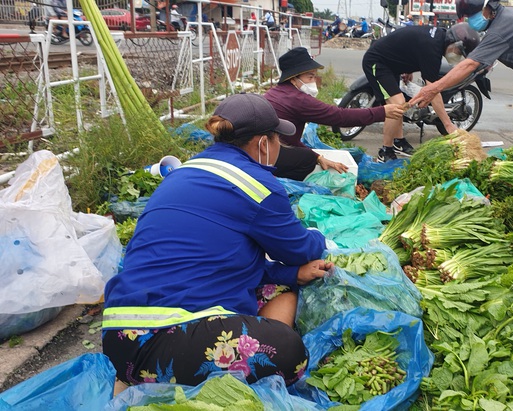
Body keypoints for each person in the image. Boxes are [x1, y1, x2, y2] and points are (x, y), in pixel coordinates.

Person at [102, 93, 331, 387]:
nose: (279, 147)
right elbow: (300, 248)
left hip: (119, 335)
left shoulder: (183, 172)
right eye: (277, 140)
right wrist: (320, 237)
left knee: (284, 288)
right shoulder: (257, 185)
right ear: (263, 143)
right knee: (290, 352)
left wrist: (291, 273)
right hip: (161, 339)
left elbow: (223, 257)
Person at [411, 0, 513, 153]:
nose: (471, 20)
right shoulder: (506, 17)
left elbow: (470, 64)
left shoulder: (501, 27)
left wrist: (434, 88)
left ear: (488, 8)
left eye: (472, 15)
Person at [264, 47, 404, 180]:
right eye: (310, 77)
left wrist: (319, 157)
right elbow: (339, 116)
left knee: (309, 156)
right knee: (307, 161)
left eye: (314, 77)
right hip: (269, 154)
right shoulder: (298, 100)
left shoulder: (275, 92)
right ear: (293, 78)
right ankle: (280, 181)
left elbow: (290, 142)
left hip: (260, 149)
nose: (314, 82)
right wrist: (382, 111)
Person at [361, 23, 480, 161]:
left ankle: (398, 141)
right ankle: (385, 150)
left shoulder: (440, 35)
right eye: (459, 53)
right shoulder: (433, 49)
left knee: (400, 104)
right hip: (377, 63)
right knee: (397, 104)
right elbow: (433, 92)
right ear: (454, 43)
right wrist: (448, 124)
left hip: (391, 64)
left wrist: (408, 69)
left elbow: (413, 44)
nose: (457, 56)